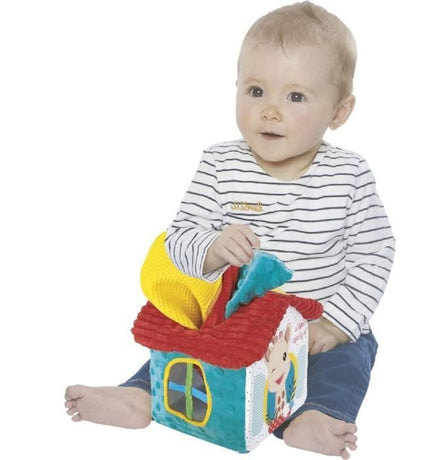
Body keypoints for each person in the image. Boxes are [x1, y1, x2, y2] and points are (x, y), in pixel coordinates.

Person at [65, 3, 395, 459]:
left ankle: (315, 416)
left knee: (346, 361)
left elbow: (374, 254)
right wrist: (213, 247)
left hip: (316, 327)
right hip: (234, 324)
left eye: (296, 97)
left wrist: (337, 322)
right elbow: (179, 238)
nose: (270, 111)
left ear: (339, 112)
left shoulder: (348, 175)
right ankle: (141, 395)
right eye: (256, 90)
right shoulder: (220, 164)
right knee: (187, 348)